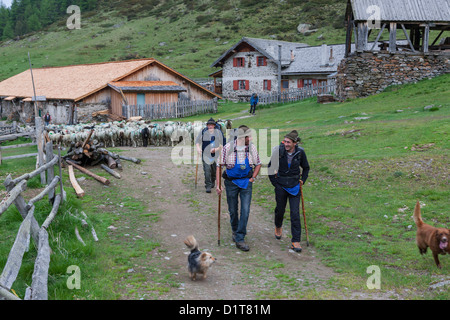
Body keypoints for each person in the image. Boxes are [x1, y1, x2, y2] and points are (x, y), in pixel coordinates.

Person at [216, 125, 261, 251]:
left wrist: (253, 178)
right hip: (231, 183)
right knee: (233, 210)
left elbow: (258, 163)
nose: (251, 138)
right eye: (249, 136)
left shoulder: (251, 148)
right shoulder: (228, 148)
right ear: (243, 137)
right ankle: (235, 231)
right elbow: (219, 165)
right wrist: (218, 184)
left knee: (245, 210)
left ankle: (240, 237)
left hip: (246, 182)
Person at [268, 130, 310, 253]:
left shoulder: (300, 153)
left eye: (288, 142)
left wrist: (303, 180)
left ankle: (295, 241)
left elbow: (306, 168)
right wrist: (275, 184)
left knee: (295, 213)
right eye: (285, 141)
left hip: (295, 186)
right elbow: (270, 168)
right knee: (280, 210)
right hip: (281, 185)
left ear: (295, 143)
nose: (286, 144)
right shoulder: (279, 151)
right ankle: (278, 226)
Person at [195, 118, 225, 193]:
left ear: (214, 126)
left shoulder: (219, 132)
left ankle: (213, 181)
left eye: (211, 125)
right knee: (207, 170)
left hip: (216, 155)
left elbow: (223, 144)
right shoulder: (203, 131)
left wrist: (216, 149)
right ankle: (208, 185)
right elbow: (197, 141)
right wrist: (198, 148)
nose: (210, 126)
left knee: (214, 170)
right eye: (208, 125)